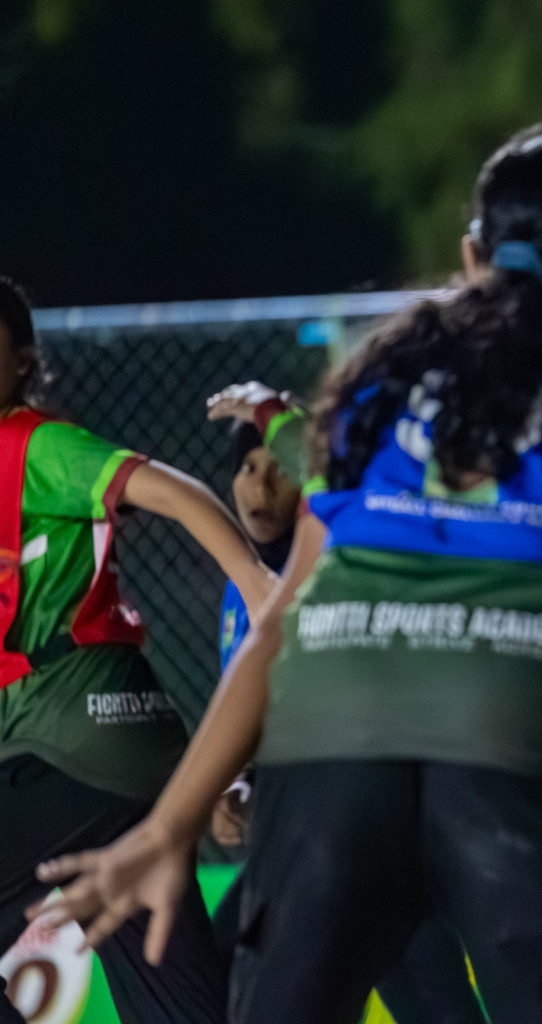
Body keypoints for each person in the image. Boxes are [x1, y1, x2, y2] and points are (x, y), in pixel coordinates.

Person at [32, 129, 542, 1024]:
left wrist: (171, 823)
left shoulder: (377, 377)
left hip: (331, 752)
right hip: (521, 742)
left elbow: (283, 617)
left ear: (471, 254)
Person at [0, 276, 273, 1023]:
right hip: (130, 756)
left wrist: (253, 582)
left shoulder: (36, 444)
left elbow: (174, 492)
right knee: (176, 1002)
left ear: (22, 360)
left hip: (71, 741)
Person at [203, 385, 486, 1024]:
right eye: (247, 469)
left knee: (425, 987)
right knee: (211, 969)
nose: (260, 487)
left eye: (279, 470)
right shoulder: (239, 585)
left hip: (373, 827)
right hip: (301, 838)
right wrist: (236, 782)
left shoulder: (343, 560)